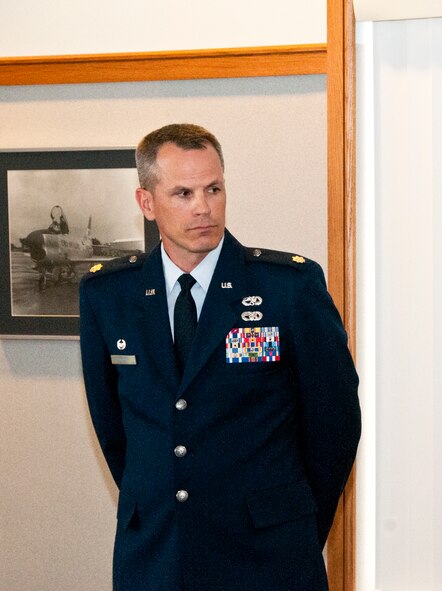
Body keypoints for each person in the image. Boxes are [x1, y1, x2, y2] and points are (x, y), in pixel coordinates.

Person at [79, 123, 361, 590]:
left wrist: (290, 521)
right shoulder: (108, 295)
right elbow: (114, 428)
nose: (203, 208)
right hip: (155, 556)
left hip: (267, 557)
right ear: (146, 203)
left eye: (214, 189)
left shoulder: (287, 287)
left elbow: (334, 424)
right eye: (183, 193)